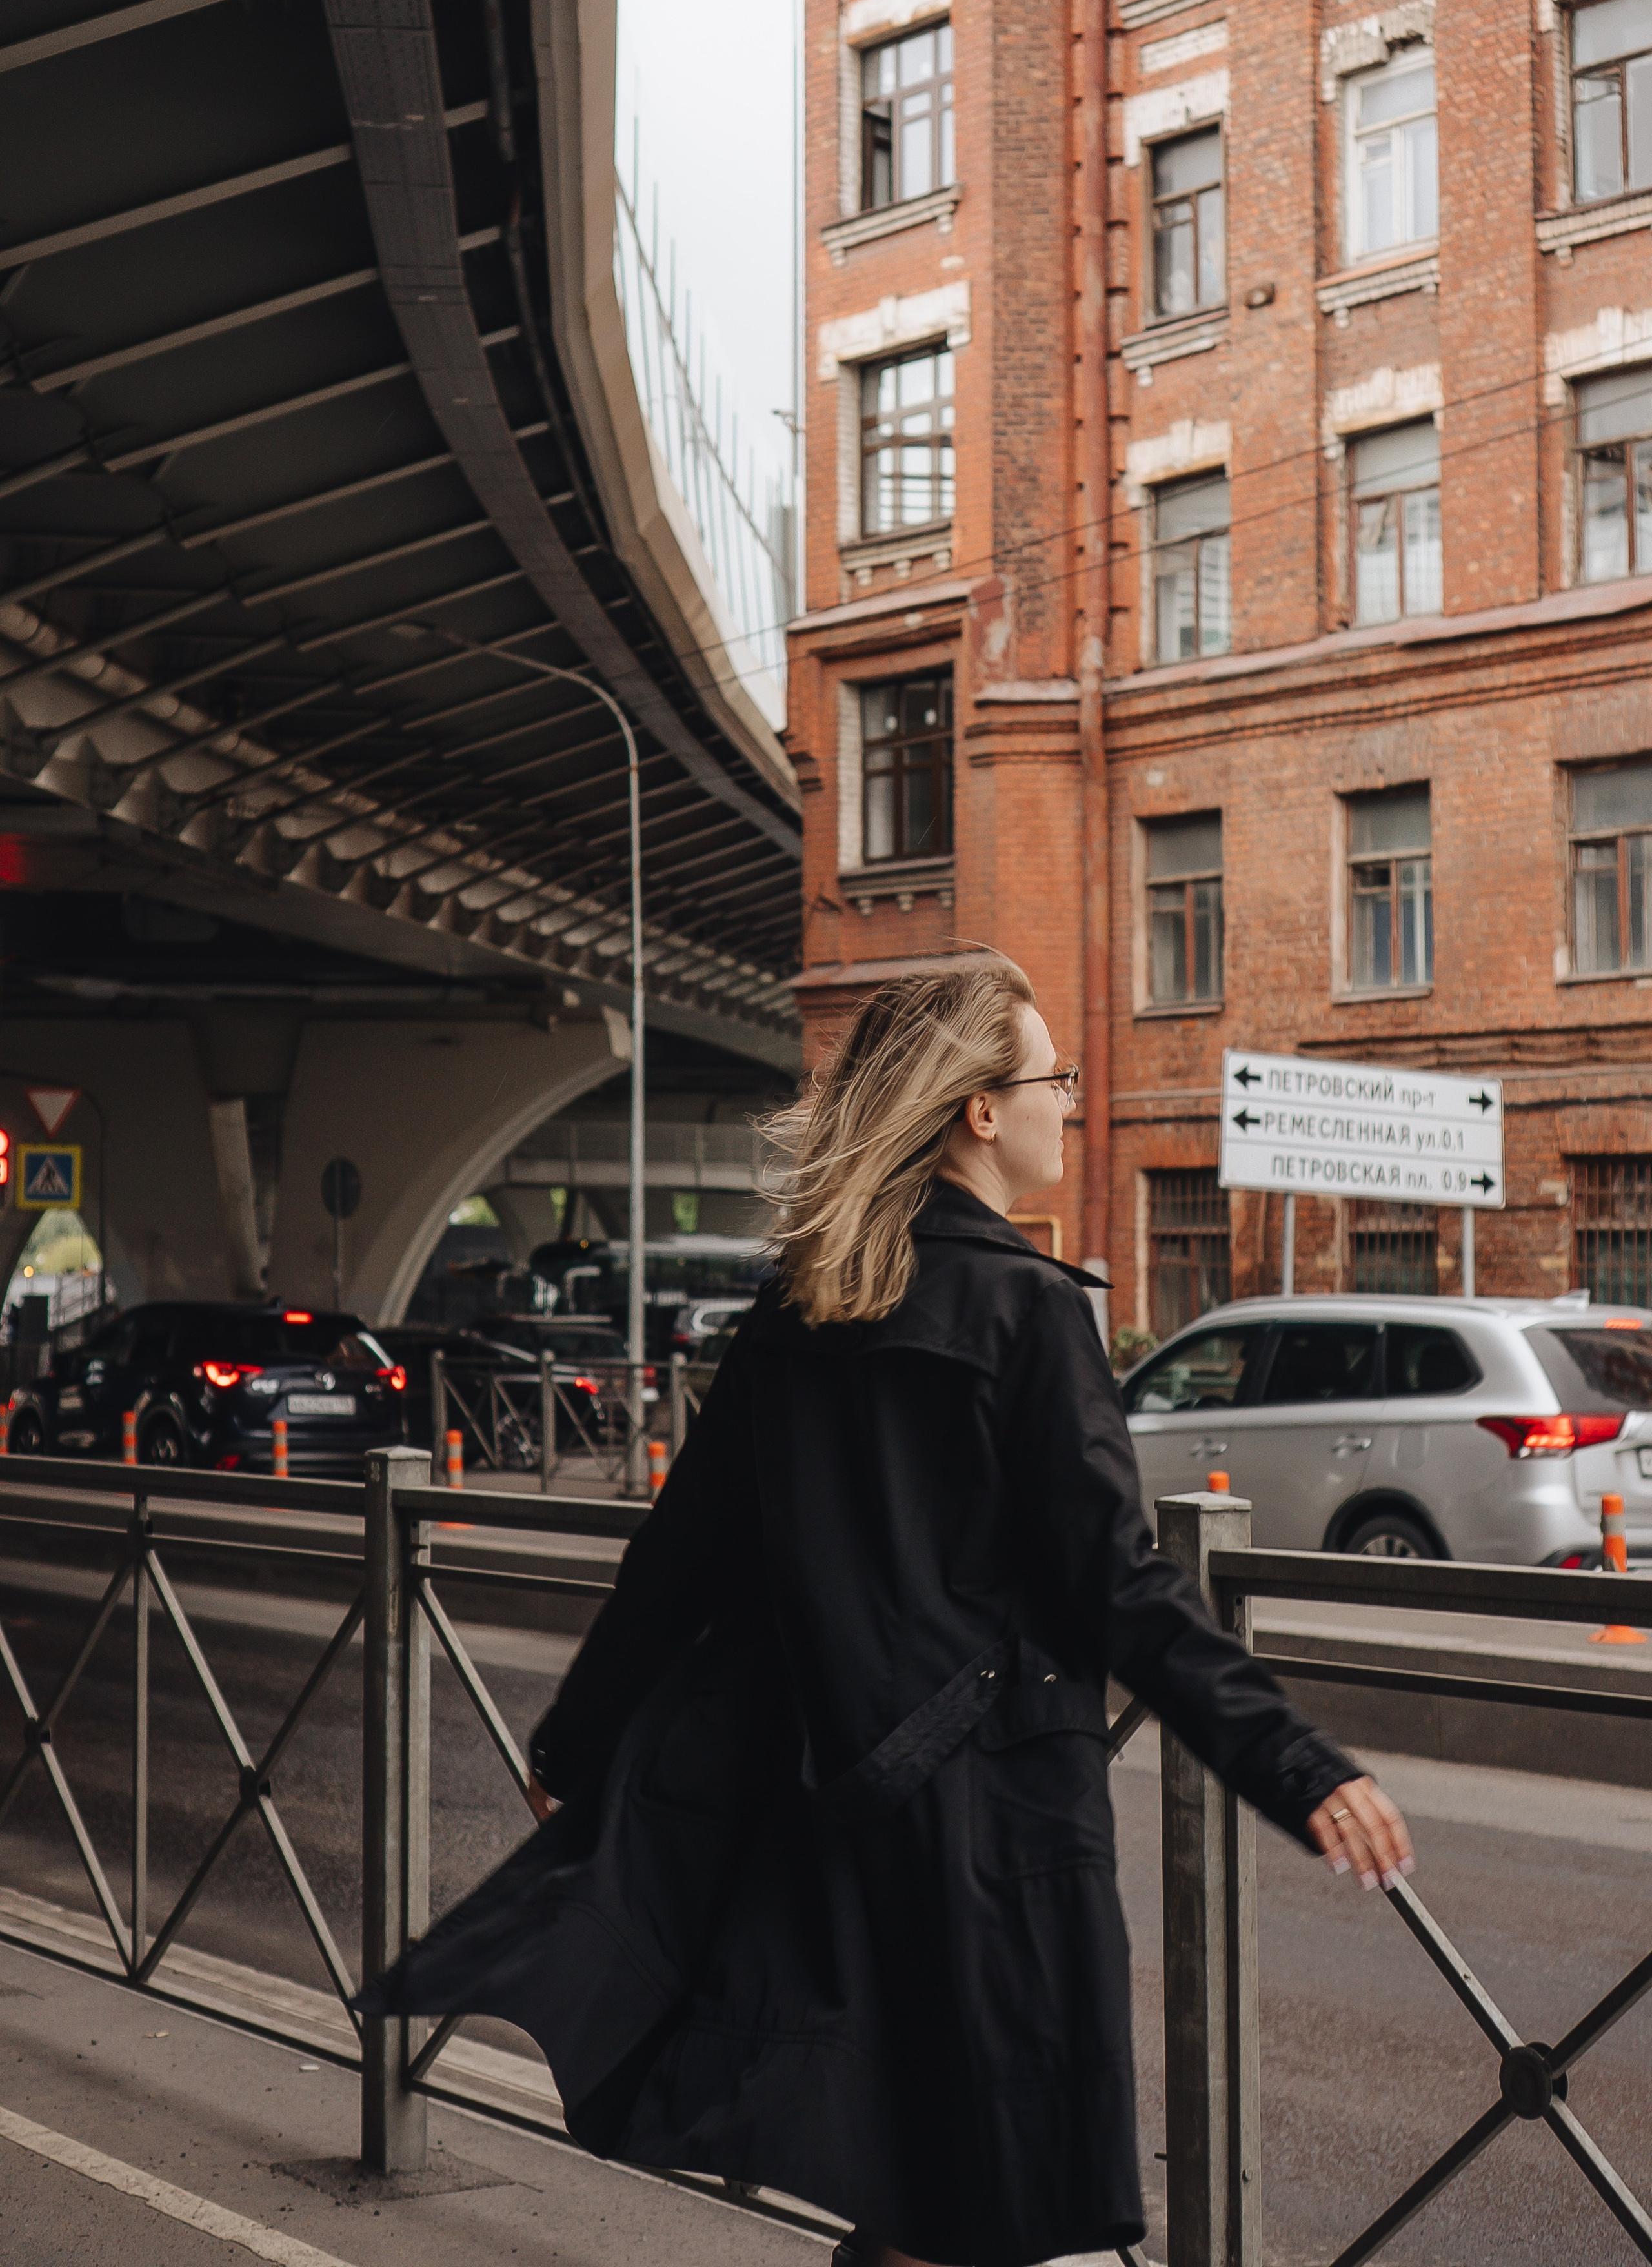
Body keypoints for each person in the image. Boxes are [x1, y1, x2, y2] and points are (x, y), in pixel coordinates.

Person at [359, 956, 1411, 2267]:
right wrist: (1296, 1763)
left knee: (923, 2191)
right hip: (1001, 1832)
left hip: (842, 1806)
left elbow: (679, 1559)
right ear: (979, 1109)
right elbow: (1117, 1586)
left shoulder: (801, 1306)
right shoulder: (1023, 1311)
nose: (1069, 1107)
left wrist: (574, 1749)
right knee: (977, 2194)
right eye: (1053, 1081)